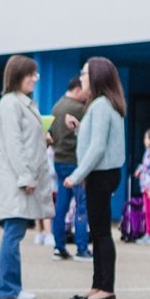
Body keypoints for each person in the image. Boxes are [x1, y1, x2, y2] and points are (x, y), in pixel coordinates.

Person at [64, 57, 127, 299]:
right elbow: (100, 140)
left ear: (97, 76)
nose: (81, 77)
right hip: (105, 173)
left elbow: (98, 147)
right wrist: (80, 128)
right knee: (98, 231)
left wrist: (76, 175)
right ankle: (98, 284)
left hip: (100, 175)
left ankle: (106, 288)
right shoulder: (106, 104)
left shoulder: (101, 104)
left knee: (100, 233)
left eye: (85, 73)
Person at [0, 56, 53, 299]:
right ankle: (7, 287)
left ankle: (10, 287)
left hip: (20, 178)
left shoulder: (18, 103)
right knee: (13, 234)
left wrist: (43, 138)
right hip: (17, 179)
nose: (35, 78)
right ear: (18, 75)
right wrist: (26, 176)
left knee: (15, 234)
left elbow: (22, 139)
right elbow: (13, 144)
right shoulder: (10, 103)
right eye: (31, 74)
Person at [49, 77, 89, 260]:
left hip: (59, 160)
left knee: (61, 205)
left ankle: (59, 246)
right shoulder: (80, 109)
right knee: (81, 206)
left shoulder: (56, 107)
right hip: (76, 162)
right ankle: (82, 248)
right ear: (78, 89)